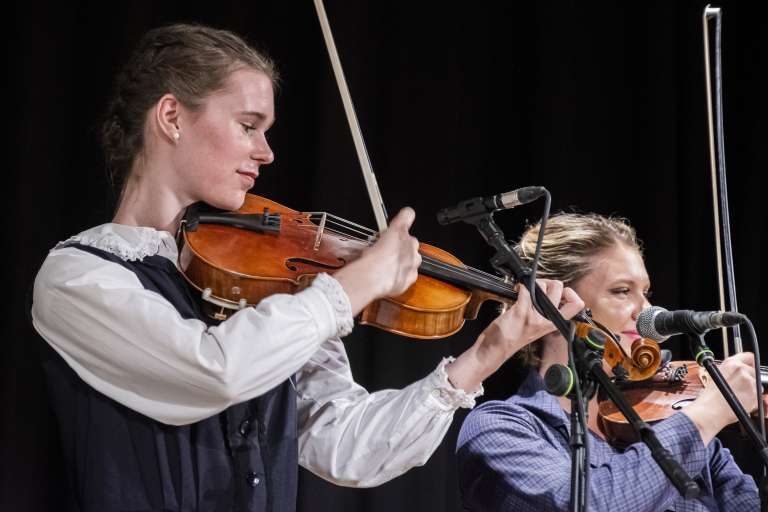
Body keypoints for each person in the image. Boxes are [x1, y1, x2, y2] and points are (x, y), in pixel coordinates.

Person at [30, 24, 584, 512]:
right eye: (249, 125)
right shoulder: (80, 278)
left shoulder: (262, 283)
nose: (267, 152)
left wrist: (486, 354)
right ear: (172, 116)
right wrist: (352, 284)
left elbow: (344, 447)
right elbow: (213, 371)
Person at [457, 213, 762, 511]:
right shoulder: (500, 429)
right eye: (622, 291)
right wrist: (706, 415)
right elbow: (586, 504)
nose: (647, 314)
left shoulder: (669, 424)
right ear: (556, 305)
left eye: (645, 293)